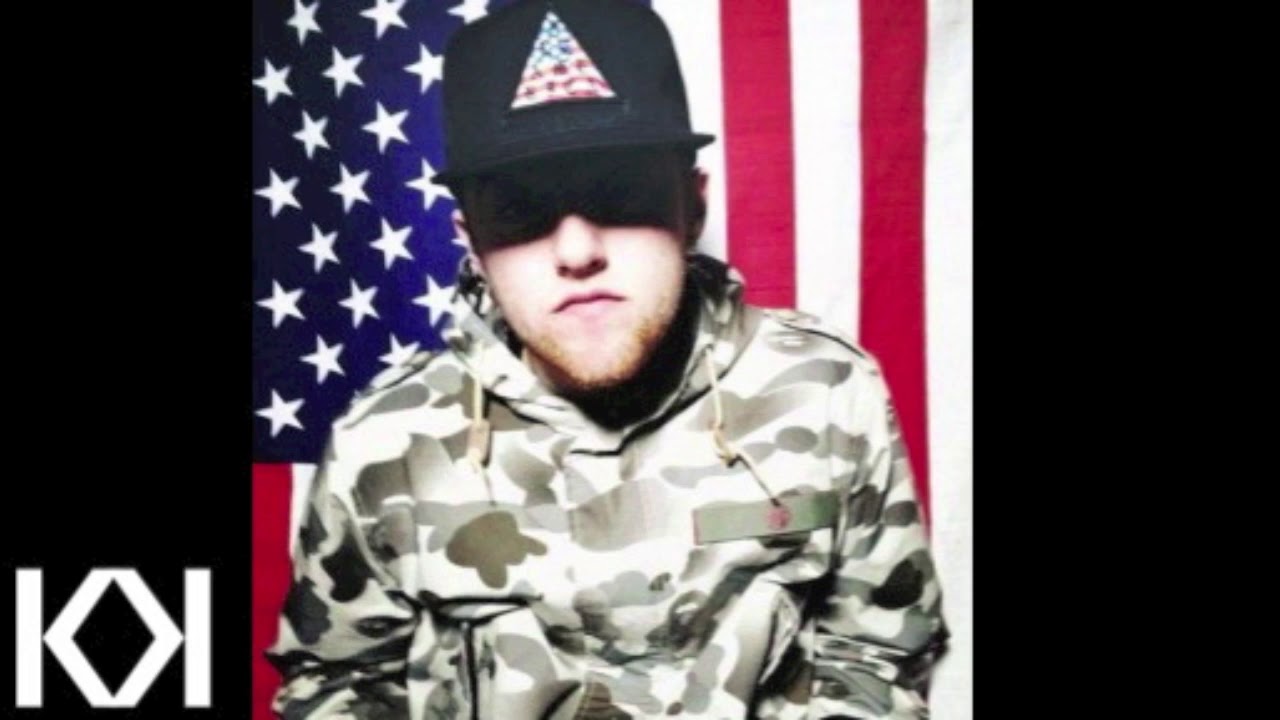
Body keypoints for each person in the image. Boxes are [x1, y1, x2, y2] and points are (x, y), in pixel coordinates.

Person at [266, 0, 948, 717]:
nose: (577, 251)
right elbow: (336, 683)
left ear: (692, 207)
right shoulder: (385, 442)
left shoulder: (825, 390)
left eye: (619, 194)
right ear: (471, 240)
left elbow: (877, 655)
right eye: (521, 211)